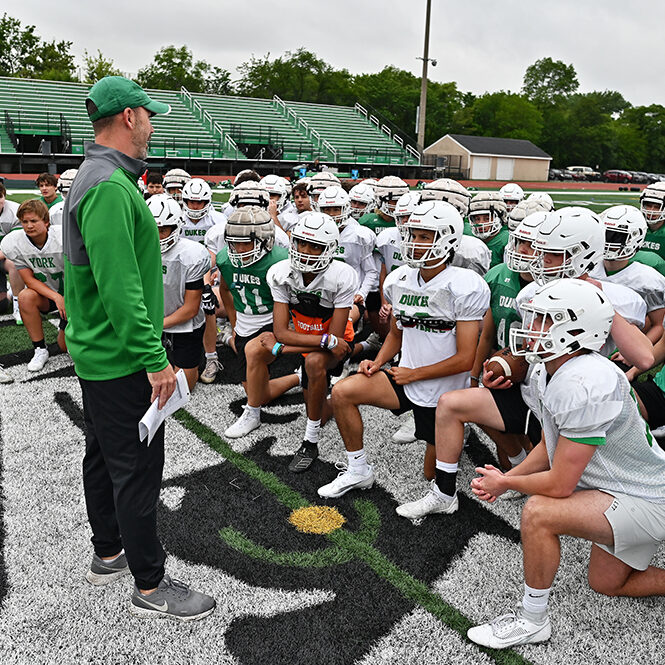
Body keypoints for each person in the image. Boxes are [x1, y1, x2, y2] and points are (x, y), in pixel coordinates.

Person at [62, 76, 214, 620]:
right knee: (137, 469)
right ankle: (150, 584)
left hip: (101, 351)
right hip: (121, 355)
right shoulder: (108, 184)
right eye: (146, 114)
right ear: (128, 117)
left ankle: (109, 552)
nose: (152, 123)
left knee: (105, 455)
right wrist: (155, 360)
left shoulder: (99, 176)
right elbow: (121, 288)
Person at [395, 207, 653, 521]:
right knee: (452, 403)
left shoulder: (619, 297)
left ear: (583, 254)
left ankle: (544, 476)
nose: (539, 262)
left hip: (581, 404)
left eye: (551, 255)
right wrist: (503, 366)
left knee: (567, 487)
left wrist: (599, 302)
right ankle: (444, 494)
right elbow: (531, 348)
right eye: (540, 253)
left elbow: (644, 358)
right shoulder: (532, 292)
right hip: (536, 392)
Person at [467, 278, 665, 649]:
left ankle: (532, 620)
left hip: (648, 499)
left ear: (578, 328)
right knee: (607, 583)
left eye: (544, 319)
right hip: (628, 489)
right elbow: (549, 443)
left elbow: (559, 486)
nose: (531, 327)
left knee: (539, 512)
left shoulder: (583, 381)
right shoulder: (552, 368)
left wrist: (506, 485)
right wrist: (509, 475)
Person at [318, 201, 489, 499]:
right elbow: (397, 333)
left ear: (449, 239)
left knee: (430, 473)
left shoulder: (465, 285)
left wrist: (415, 374)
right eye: (413, 234)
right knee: (344, 392)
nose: (414, 242)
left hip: (443, 391)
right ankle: (358, 470)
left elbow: (466, 358)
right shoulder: (400, 280)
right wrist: (378, 360)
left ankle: (458, 432)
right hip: (404, 377)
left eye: (425, 236)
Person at [264, 212, 358, 472]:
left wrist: (282, 347)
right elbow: (281, 331)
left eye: (315, 246)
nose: (305, 251)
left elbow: (336, 341)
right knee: (318, 407)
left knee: (315, 364)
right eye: (301, 243)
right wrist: (284, 342)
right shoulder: (280, 273)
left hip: (334, 346)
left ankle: (310, 441)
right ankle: (333, 394)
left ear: (330, 249)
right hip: (315, 341)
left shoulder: (341, 275)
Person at [219, 206, 299, 438]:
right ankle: (299, 377)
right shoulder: (226, 258)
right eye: (235, 243)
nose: (240, 249)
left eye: (246, 243)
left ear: (266, 241)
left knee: (254, 353)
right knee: (259, 392)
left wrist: (286, 328)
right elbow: (225, 290)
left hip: (271, 320)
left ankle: (252, 414)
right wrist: (234, 325)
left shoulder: (281, 261)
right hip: (245, 322)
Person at [148, 193, 210, 391]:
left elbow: (191, 309)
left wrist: (156, 326)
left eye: (163, 230)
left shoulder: (192, 255)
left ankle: (200, 358)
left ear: (176, 226)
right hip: (151, 321)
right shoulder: (135, 249)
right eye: (151, 230)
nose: (156, 236)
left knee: (182, 388)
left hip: (184, 325)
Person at [0, 199, 67, 372]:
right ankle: (40, 349)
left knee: (65, 347)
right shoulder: (15, 242)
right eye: (25, 222)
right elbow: (28, 280)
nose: (29, 226)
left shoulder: (62, 237)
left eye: (34, 221)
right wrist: (56, 297)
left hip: (74, 294)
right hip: (49, 295)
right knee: (25, 296)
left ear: (46, 221)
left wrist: (69, 299)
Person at [592, 205, 665, 344]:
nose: (608, 241)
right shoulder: (588, 267)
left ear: (634, 239)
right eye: (605, 234)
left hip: (625, 343)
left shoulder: (648, 280)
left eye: (616, 236)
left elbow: (658, 325)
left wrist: (636, 349)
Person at [467, 192, 509, 268]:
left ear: (499, 218)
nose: (480, 223)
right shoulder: (470, 237)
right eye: (477, 219)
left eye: (487, 219)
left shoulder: (506, 239)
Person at [0, 181, 22, 325]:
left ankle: (18, 306)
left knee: (15, 264)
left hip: (6, 256)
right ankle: (7, 292)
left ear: (4, 197)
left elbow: (13, 245)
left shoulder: (15, 211)